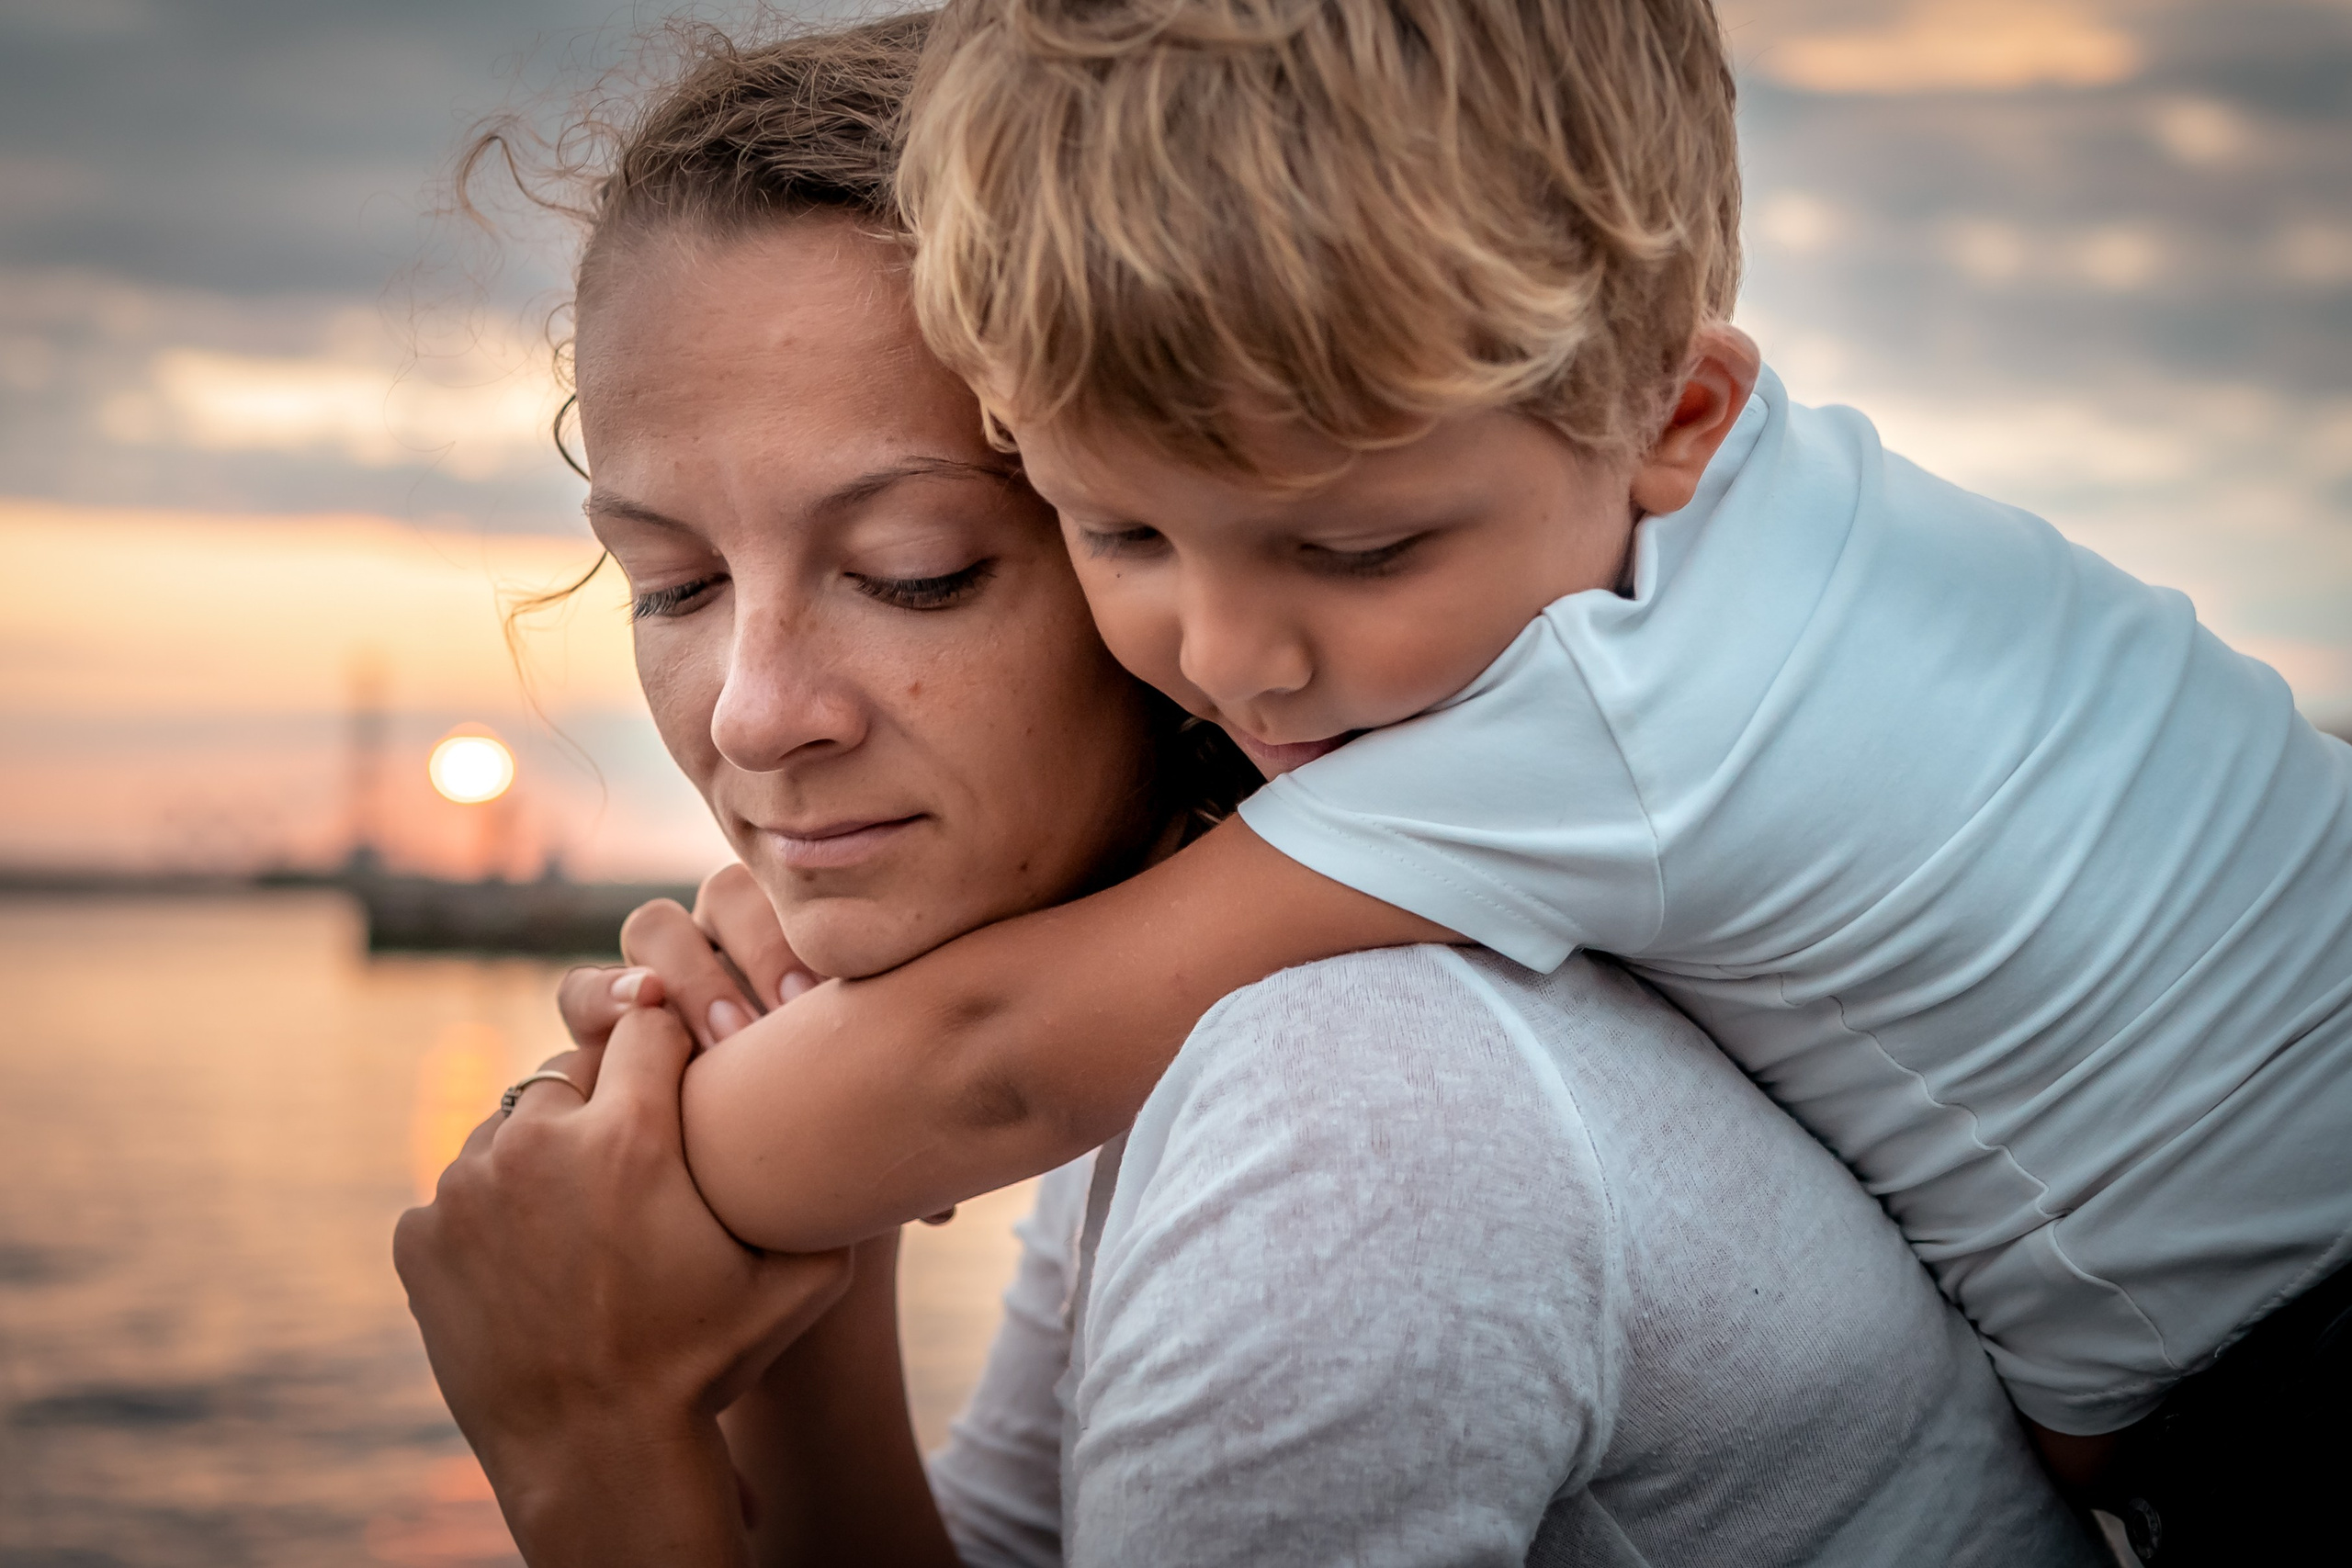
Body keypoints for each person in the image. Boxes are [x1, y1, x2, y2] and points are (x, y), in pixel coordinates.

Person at [640, 2, 2352, 1557]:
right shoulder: (1775, 527)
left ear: (1678, 412)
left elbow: (994, 1066)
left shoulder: (1598, 717)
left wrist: (627, 1169)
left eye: (1362, 547)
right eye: (1125, 529)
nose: (1238, 654)